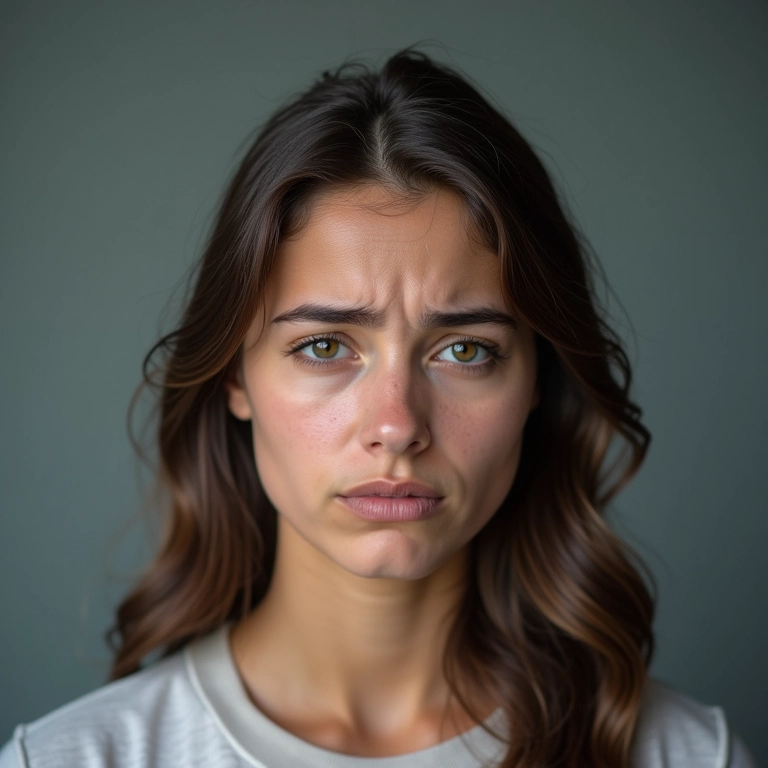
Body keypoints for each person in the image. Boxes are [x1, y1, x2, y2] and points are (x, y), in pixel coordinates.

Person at [0, 48, 756, 768]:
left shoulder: (684, 756)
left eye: (465, 350)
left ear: (537, 385)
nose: (397, 425)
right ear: (235, 376)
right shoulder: (71, 759)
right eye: (326, 346)